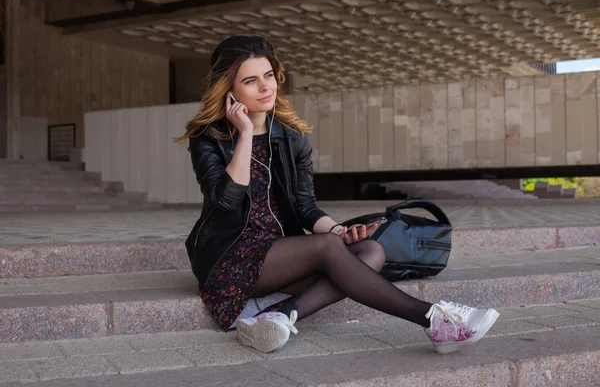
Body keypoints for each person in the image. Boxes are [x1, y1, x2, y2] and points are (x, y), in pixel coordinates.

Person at [176, 35, 499, 355]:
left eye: (269, 75)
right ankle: (432, 319)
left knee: (371, 250)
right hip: (229, 255)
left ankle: (275, 317)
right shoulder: (209, 136)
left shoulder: (292, 137)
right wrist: (245, 134)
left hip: (280, 252)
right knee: (330, 248)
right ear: (229, 88)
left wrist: (338, 231)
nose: (265, 87)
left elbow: (304, 206)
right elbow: (226, 201)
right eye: (250, 80)